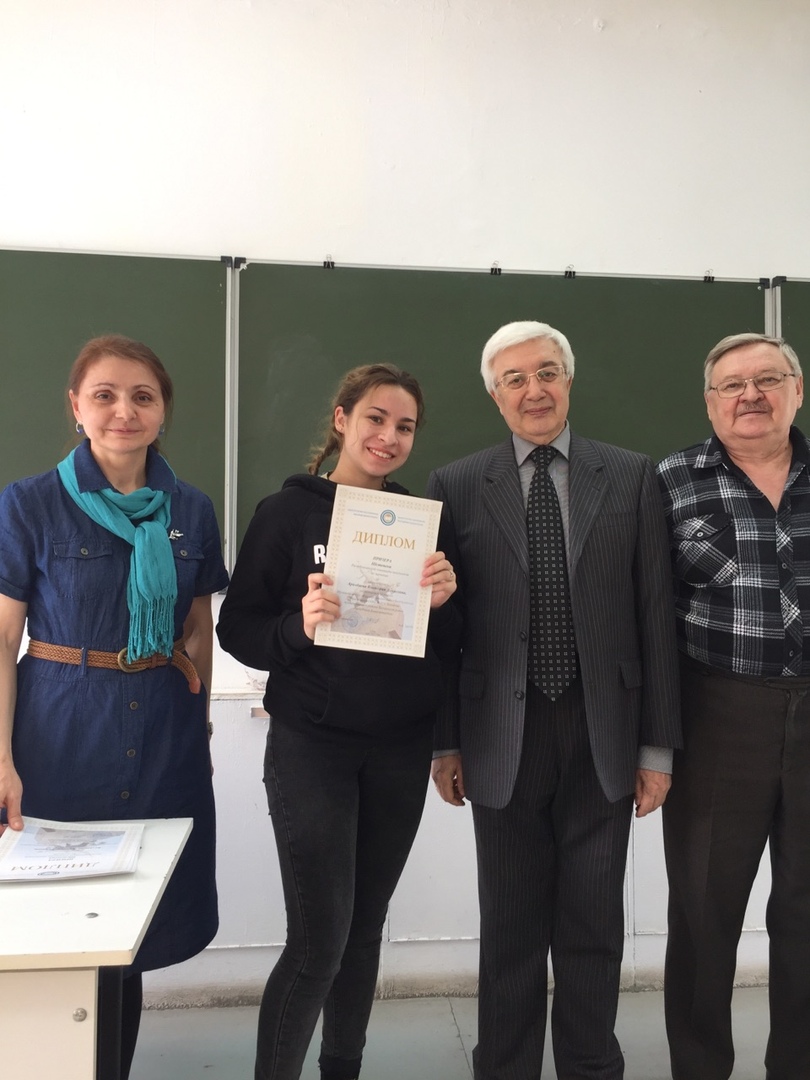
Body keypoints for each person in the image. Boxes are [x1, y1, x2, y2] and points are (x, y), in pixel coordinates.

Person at [427, 320, 681, 1080]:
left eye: (546, 373)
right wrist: (445, 741)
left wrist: (657, 747)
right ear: (495, 395)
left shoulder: (631, 475)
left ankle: (591, 1066)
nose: (533, 390)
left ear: (569, 381)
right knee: (508, 927)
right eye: (515, 379)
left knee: (594, 925)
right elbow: (443, 629)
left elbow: (654, 613)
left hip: (605, 729)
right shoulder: (457, 484)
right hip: (499, 731)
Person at [216, 363, 460, 1080]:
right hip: (311, 747)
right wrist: (299, 625)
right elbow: (238, 630)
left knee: (363, 930)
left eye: (405, 427)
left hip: (399, 749)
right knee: (319, 940)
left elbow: (452, 646)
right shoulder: (285, 514)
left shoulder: (424, 524)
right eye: (375, 418)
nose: (388, 437)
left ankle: (342, 1069)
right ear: (342, 420)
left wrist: (446, 602)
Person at [0, 334, 228, 1079]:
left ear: (163, 412)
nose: (123, 411)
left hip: (163, 737)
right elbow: (3, 638)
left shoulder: (191, 508)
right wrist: (1, 759)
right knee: (53, 928)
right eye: (105, 395)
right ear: (77, 406)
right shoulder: (29, 503)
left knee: (129, 935)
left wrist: (198, 726)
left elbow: (197, 627)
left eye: (142, 397)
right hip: (60, 734)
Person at [657, 332, 810, 1080]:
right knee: (703, 911)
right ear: (710, 401)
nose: (751, 395)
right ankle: (699, 1066)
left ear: (797, 391)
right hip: (716, 716)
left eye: (768, 380)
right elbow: (645, 611)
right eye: (732, 385)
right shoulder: (671, 481)